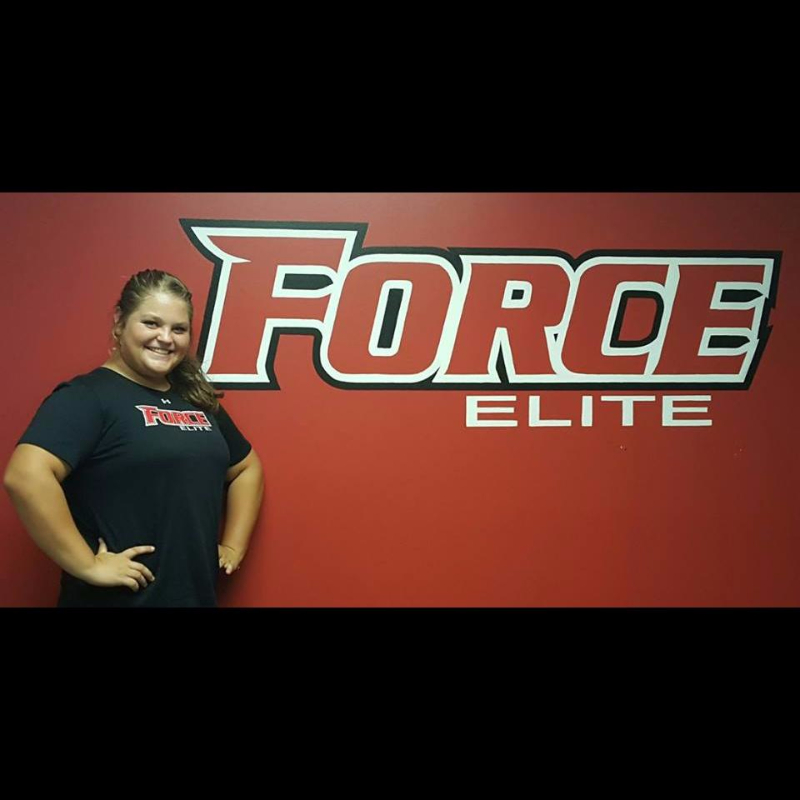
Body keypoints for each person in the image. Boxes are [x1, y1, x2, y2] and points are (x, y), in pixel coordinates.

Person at [4, 269, 264, 607]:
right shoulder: (87, 396)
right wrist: (87, 565)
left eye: (178, 329)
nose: (165, 338)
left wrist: (232, 547)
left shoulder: (195, 399)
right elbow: (25, 476)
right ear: (120, 321)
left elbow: (246, 468)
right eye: (151, 323)